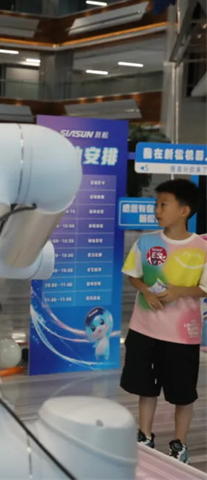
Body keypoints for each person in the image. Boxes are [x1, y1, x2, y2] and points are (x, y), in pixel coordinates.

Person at [120, 178, 207, 464]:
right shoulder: (146, 242)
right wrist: (146, 290)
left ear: (184, 210)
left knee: (183, 394)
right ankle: (144, 436)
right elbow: (134, 276)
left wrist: (180, 291)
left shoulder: (202, 247)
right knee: (145, 388)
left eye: (163, 205)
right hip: (144, 330)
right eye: (156, 204)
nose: (157, 210)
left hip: (182, 336)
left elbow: (205, 288)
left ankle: (179, 444)